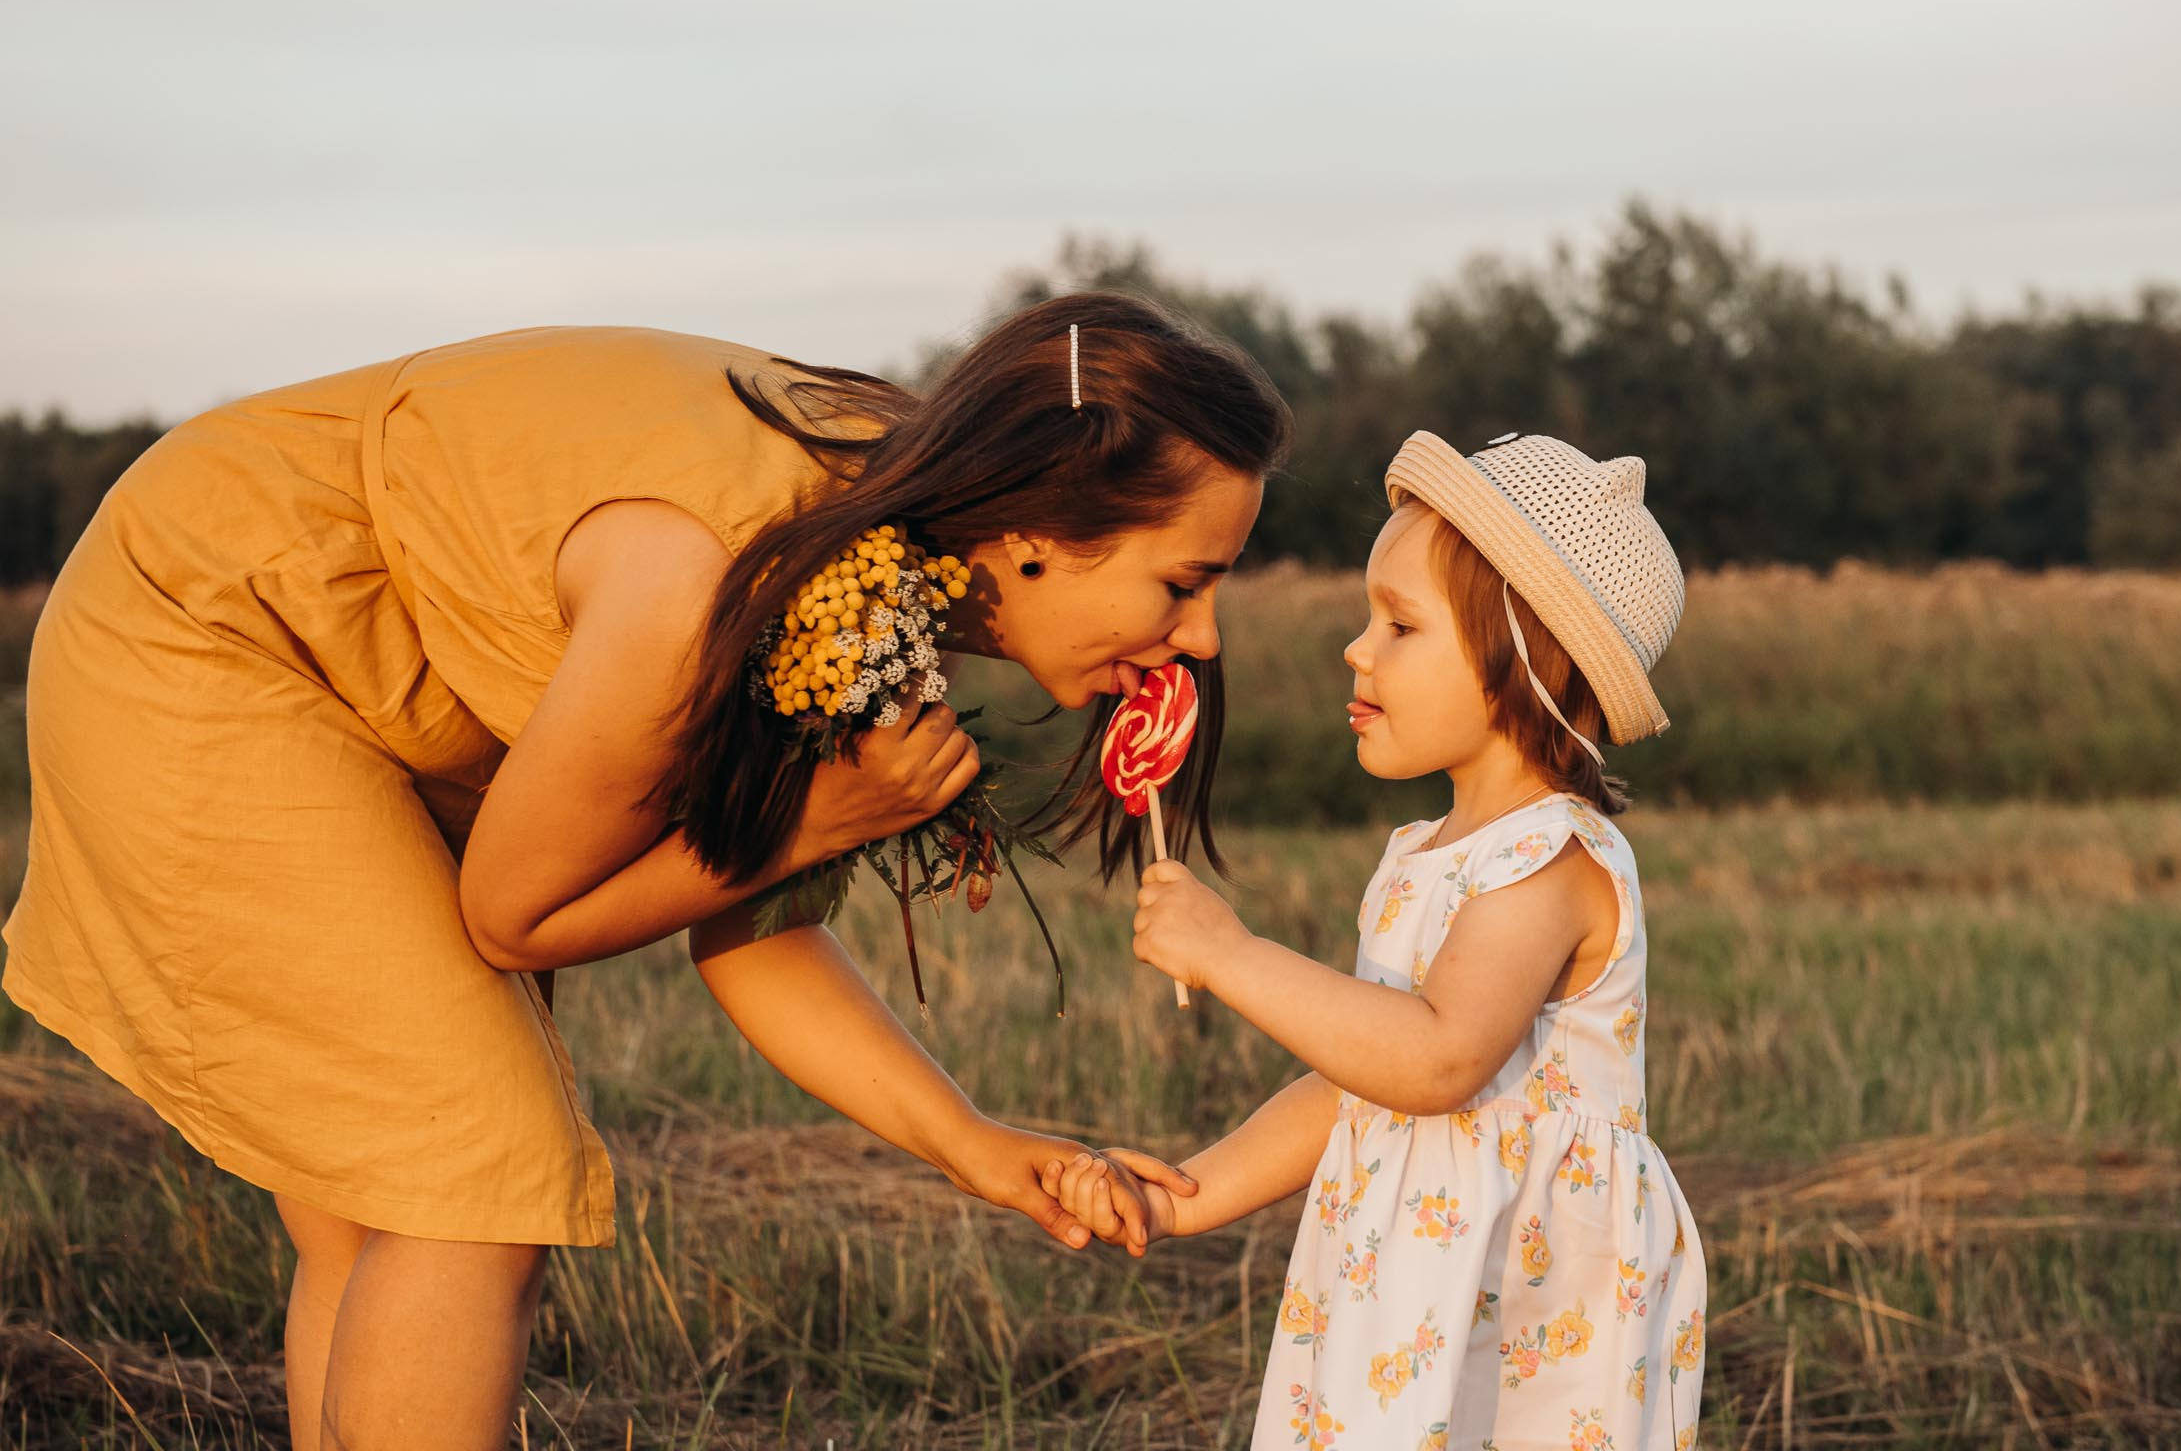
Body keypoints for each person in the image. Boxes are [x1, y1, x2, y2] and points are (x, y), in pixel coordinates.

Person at [1, 292, 1289, 1451]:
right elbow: (513, 918)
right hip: (213, 625)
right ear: (1037, 529)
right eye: (1185, 580)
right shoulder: (722, 575)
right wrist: (813, 823)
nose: (1207, 634)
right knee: (470, 1173)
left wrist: (974, 1144)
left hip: (355, 685)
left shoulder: (876, 580)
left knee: (393, 1201)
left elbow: (755, 931)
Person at [1047, 431, 1707, 1449]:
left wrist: (1231, 955)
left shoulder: (1548, 863)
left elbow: (1438, 1058)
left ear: (1529, 658)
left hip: (1526, 1300)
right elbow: (1363, 1085)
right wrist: (1188, 1197)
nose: (1358, 648)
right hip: (1408, 1282)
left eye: (1400, 623)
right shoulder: (1422, 853)